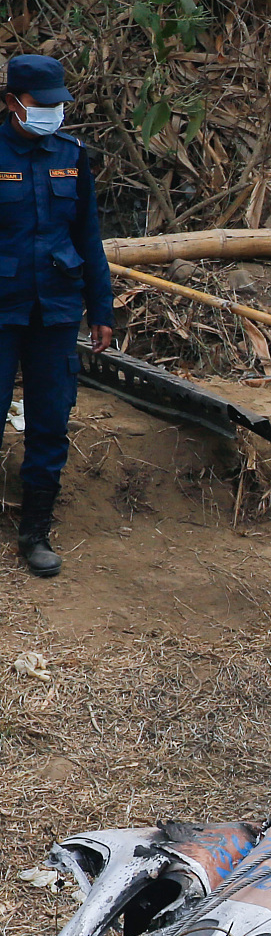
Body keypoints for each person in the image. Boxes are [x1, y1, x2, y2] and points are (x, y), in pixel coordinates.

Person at [0, 55, 114, 579]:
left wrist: (102, 310)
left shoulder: (71, 155)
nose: (52, 113)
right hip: (3, 309)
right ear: (14, 102)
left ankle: (36, 530)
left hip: (58, 311)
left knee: (50, 419)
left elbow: (88, 236)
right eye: (42, 105)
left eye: (57, 105)